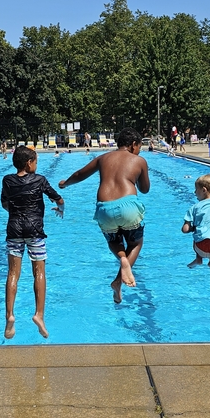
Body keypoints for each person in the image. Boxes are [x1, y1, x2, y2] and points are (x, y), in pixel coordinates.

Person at [59, 128, 150, 304]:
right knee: (136, 242)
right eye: (139, 147)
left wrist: (65, 184)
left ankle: (122, 259)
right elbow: (145, 190)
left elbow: (79, 174)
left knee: (113, 241)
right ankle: (118, 281)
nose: (140, 150)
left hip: (104, 209)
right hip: (128, 206)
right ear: (133, 145)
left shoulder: (103, 158)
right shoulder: (139, 160)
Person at [1, 146, 65, 339]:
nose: (37, 165)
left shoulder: (7, 180)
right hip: (35, 231)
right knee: (39, 272)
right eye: (36, 161)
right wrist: (61, 209)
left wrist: (15, 212)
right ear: (29, 163)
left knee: (13, 273)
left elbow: (5, 203)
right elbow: (58, 198)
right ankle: (39, 315)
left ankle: (10, 316)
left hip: (14, 230)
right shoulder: (40, 180)